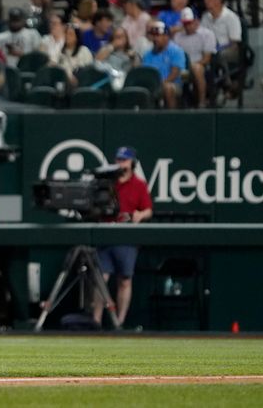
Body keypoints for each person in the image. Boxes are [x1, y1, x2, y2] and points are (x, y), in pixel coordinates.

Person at [93, 146, 153, 328]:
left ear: (132, 163)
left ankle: (119, 323)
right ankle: (95, 321)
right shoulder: (108, 182)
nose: (121, 163)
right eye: (118, 160)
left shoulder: (139, 184)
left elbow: (148, 210)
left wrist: (139, 215)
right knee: (100, 279)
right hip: (106, 234)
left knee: (125, 280)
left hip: (127, 237)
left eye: (124, 160)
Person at [174, 8, 216, 108]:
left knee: (197, 68)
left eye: (189, 23)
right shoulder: (178, 36)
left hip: (202, 67)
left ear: (196, 21)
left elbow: (206, 58)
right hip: (182, 68)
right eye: (185, 23)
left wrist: (192, 65)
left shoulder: (207, 34)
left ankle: (202, 102)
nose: (187, 26)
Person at [142, 21, 187, 109]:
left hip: (173, 84)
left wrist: (160, 85)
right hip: (152, 86)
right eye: (153, 35)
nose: (155, 39)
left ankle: (171, 117)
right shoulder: (147, 54)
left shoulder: (176, 51)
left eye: (158, 35)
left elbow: (175, 73)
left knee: (168, 87)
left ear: (166, 37)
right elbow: (145, 74)